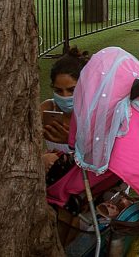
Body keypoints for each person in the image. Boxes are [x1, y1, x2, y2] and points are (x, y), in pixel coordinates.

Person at [41, 47, 90, 183]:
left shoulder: (95, 113)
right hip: (58, 179)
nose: (65, 96)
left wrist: (71, 141)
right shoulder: (47, 108)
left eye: (71, 90)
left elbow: (103, 157)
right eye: (58, 90)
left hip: (91, 181)